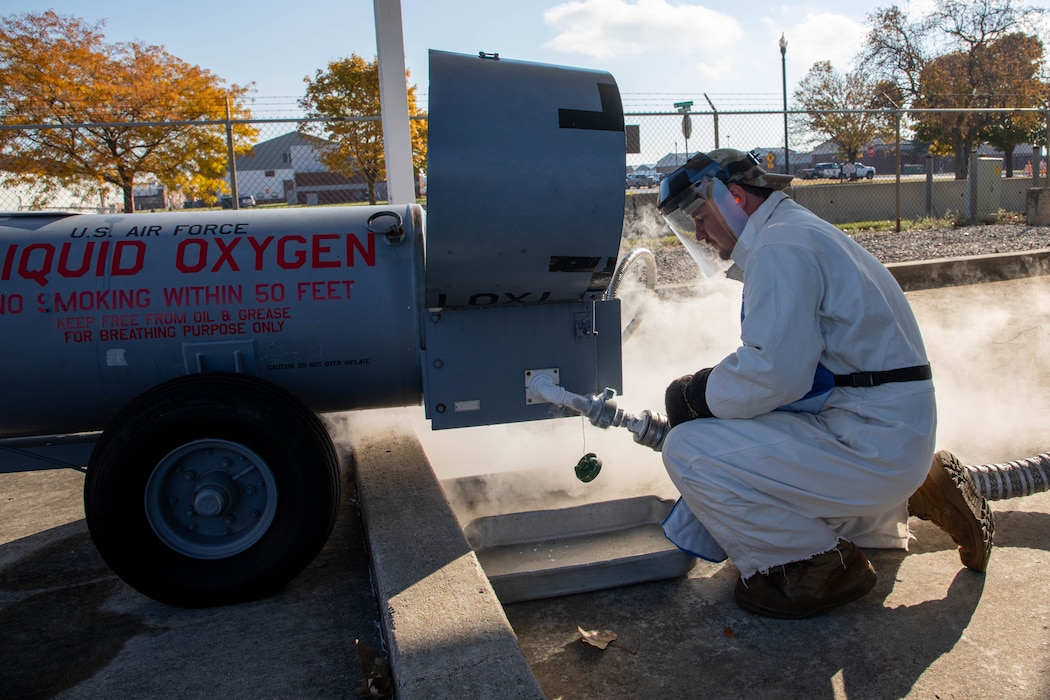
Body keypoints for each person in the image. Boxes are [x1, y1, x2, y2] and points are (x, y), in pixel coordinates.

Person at [654, 148, 994, 619]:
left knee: (690, 451)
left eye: (700, 216)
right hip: (885, 428)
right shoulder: (794, 231)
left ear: (734, 197)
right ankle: (921, 488)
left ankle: (816, 568)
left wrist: (696, 394)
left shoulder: (779, 247)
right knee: (759, 458)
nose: (699, 233)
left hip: (873, 441)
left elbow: (776, 373)